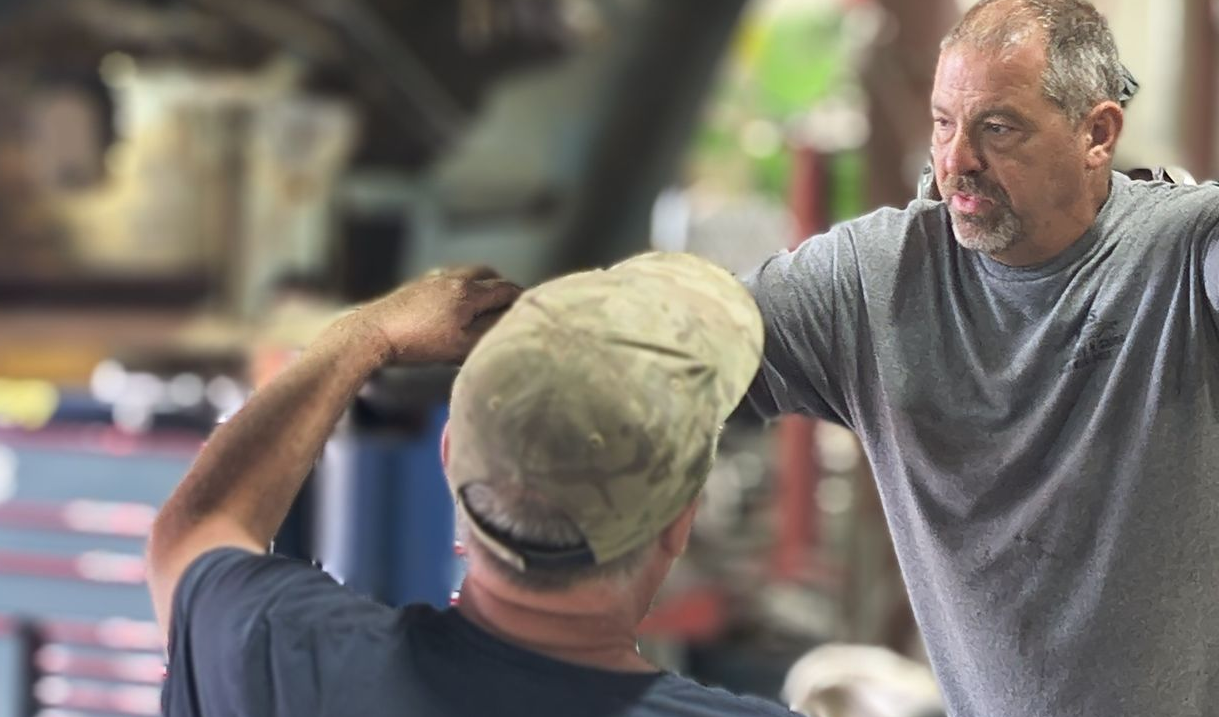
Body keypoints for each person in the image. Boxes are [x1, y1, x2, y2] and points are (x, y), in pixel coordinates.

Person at [745, 0, 1219, 717]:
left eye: (998, 126)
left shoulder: (1182, 248)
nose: (957, 161)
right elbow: (701, 341)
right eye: (945, 123)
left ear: (1097, 133)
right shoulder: (875, 278)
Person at [148, 252, 790, 717]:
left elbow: (195, 533)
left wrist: (365, 335)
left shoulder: (280, 661)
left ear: (450, 456)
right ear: (679, 519)